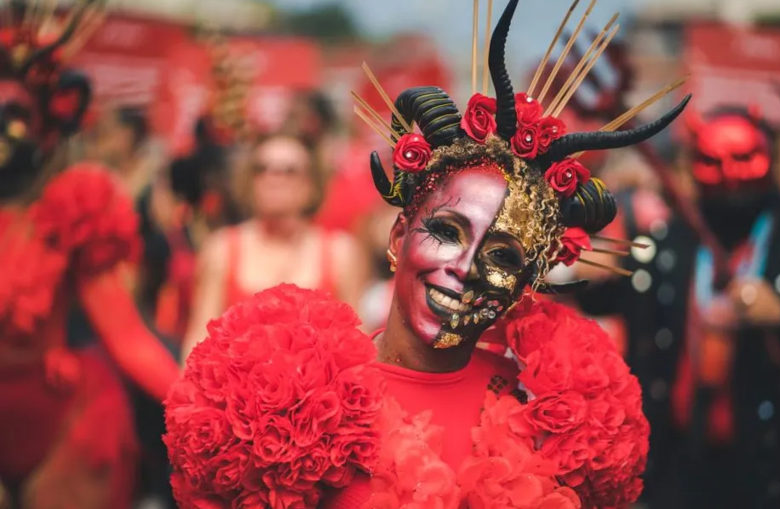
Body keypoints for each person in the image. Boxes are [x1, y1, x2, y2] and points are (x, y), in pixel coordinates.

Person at [164, 0, 690, 507]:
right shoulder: (302, 404)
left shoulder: (545, 414)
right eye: (447, 230)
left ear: (527, 282)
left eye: (504, 256)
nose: (464, 269)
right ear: (398, 237)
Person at [0, 4, 179, 508]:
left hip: (65, 431)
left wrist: (207, 408)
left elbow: (128, 337)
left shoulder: (70, 207)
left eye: (13, 115)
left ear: (44, 122)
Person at [575, 106, 780, 508]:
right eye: (712, 162)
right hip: (675, 461)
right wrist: (593, 268)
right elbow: (611, 298)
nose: (730, 176)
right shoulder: (672, 238)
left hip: (770, 465)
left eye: (744, 159)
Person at [181, 132, 370, 359]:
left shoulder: (341, 252)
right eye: (262, 169)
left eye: (289, 171)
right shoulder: (222, 248)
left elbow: (359, 343)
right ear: (250, 182)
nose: (273, 178)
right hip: (236, 390)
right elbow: (198, 339)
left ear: (310, 185)